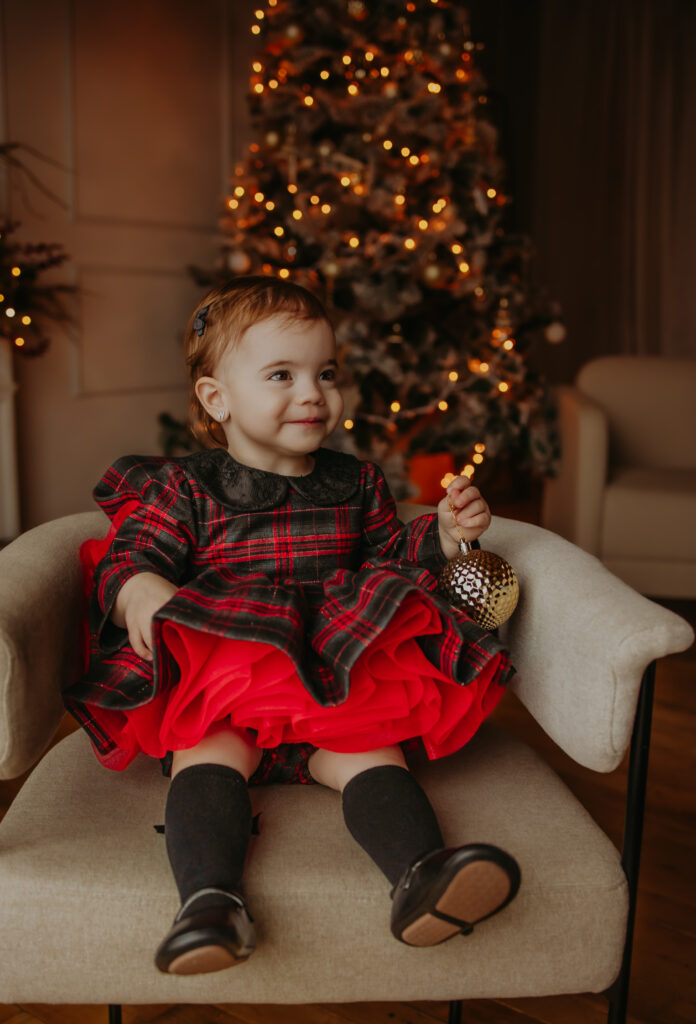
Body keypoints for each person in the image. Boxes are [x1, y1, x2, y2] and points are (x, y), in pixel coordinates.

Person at [64, 275, 520, 977]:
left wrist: (443, 534)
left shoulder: (355, 482)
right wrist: (143, 591)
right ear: (217, 399)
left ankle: (421, 877)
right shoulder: (184, 488)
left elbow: (389, 560)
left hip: (336, 677)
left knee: (374, 755)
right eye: (283, 374)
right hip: (228, 677)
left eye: (326, 373)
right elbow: (130, 556)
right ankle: (210, 902)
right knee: (206, 755)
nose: (314, 393)